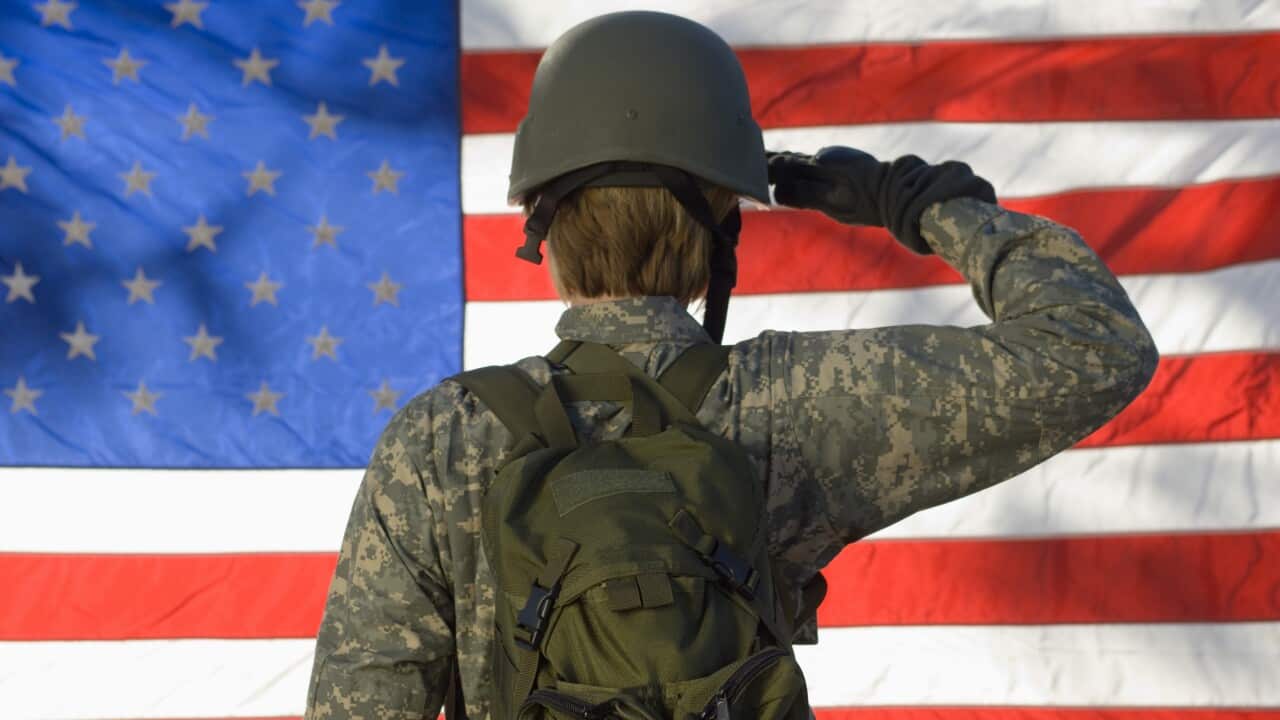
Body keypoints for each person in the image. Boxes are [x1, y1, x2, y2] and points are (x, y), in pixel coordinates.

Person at [304, 11, 1158, 720]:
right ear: (719, 228)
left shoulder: (442, 440)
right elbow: (1094, 348)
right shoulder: (795, 405)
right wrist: (931, 207)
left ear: (544, 225)